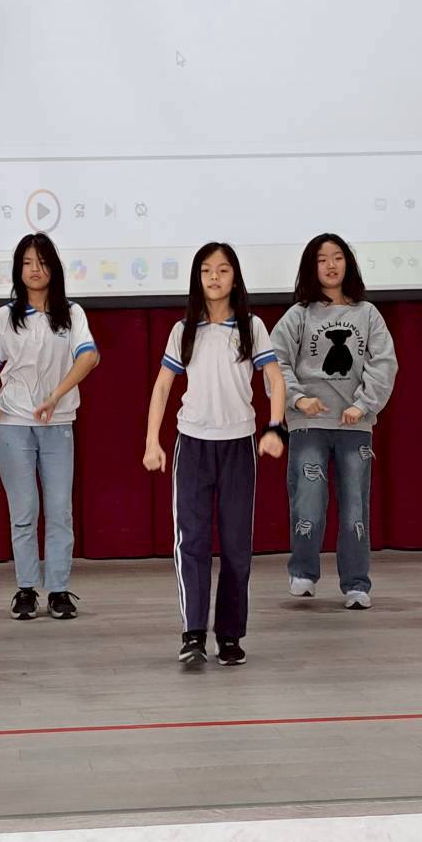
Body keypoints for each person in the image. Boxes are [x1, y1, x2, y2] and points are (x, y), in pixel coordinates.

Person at [143, 242, 286, 666]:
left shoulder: (251, 327)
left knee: (237, 545)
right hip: (192, 445)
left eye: (223, 270)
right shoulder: (183, 330)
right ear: (197, 278)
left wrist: (274, 427)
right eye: (207, 270)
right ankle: (193, 633)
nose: (214, 277)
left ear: (235, 278)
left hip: (239, 444)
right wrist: (152, 441)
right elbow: (162, 387)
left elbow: (276, 380)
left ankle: (229, 635)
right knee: (192, 542)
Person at [0, 234, 99, 621]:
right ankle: (25, 588)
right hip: (12, 424)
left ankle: (58, 589)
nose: (35, 269)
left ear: (54, 268)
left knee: (59, 510)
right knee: (23, 509)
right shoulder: (5, 317)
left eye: (41, 262)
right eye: (27, 263)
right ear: (18, 270)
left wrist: (56, 395)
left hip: (58, 424)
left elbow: (89, 357)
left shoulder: (71, 314)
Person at [271, 233, 397, 609]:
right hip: (307, 423)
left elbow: (384, 363)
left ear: (348, 264)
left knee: (355, 506)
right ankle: (303, 572)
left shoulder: (367, 313)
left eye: (338, 257)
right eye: (322, 259)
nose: (330, 265)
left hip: (353, 425)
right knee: (308, 500)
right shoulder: (299, 314)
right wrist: (298, 398)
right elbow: (275, 362)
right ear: (311, 267)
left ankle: (356, 584)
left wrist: (363, 404)